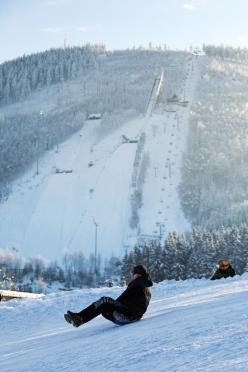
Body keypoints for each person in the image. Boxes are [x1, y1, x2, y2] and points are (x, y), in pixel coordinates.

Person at [64, 264, 153, 327]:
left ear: (137, 274)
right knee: (104, 305)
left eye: (133, 274)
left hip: (128, 316)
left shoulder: (139, 282)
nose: (131, 276)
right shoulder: (145, 285)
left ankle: (79, 318)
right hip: (132, 316)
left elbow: (122, 297)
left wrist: (113, 304)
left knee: (104, 301)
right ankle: (79, 318)